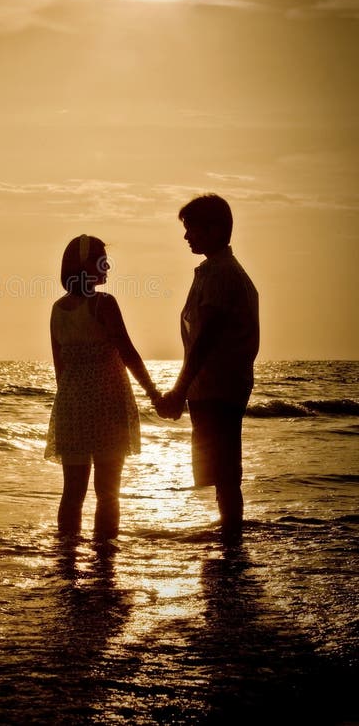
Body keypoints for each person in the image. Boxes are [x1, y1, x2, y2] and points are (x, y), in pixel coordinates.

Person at [156, 195, 259, 543]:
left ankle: (232, 543)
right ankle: (231, 541)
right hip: (216, 385)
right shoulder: (217, 271)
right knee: (221, 472)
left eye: (192, 229)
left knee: (225, 472)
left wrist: (179, 389)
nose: (187, 237)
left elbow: (206, 340)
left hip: (218, 386)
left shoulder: (220, 274)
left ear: (214, 230)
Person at [45, 234, 161, 541]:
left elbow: (60, 368)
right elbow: (128, 352)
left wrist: (74, 399)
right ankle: (104, 563)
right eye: (101, 260)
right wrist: (153, 393)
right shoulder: (103, 304)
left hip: (71, 405)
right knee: (108, 492)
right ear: (86, 266)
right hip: (107, 406)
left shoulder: (58, 309)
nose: (107, 265)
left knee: (72, 492)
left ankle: (67, 561)